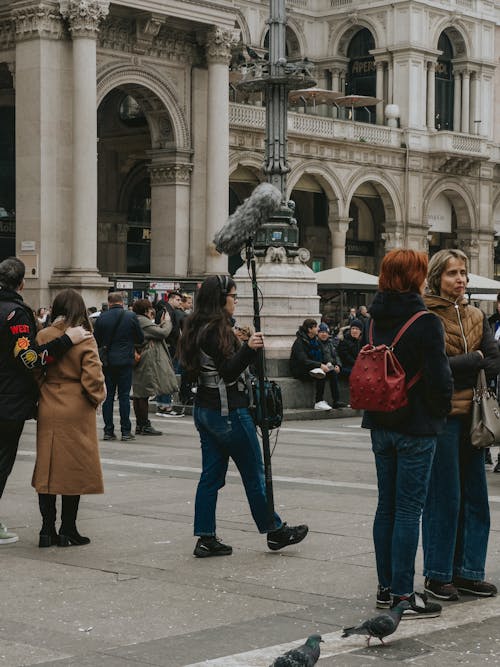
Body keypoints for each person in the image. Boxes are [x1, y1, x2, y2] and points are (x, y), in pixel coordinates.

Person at [178, 275, 308, 557]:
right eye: (234, 297)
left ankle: (205, 536)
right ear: (220, 298)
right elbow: (227, 371)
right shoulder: (216, 329)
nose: (236, 302)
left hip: (205, 410)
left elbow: (193, 370)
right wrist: (249, 349)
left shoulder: (194, 324)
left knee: (211, 477)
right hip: (229, 412)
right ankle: (274, 531)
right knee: (254, 473)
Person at [362, 249, 453, 618]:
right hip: (415, 426)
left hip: (380, 422)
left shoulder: (372, 319)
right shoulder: (425, 321)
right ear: (416, 277)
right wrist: (439, 413)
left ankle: (386, 587)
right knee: (408, 510)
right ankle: (403, 595)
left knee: (387, 505)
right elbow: (440, 378)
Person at [422, 249, 500, 601]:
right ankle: (438, 574)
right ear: (437, 276)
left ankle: (469, 571)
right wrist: (476, 360)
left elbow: (495, 362)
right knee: (445, 497)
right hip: (441, 417)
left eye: (464, 273)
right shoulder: (426, 315)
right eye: (453, 273)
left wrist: (468, 363)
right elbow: (434, 367)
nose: (461, 280)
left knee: (476, 498)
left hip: (474, 416)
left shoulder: (475, 315)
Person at [0, 257, 91, 544]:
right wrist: (68, 340)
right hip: (8, 402)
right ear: (22, 283)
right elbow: (28, 359)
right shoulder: (15, 314)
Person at [32, 289, 105, 547]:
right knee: (73, 466)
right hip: (77, 404)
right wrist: (97, 398)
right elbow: (93, 376)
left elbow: (35, 370)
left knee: (47, 466)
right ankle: (68, 529)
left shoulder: (43, 335)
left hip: (49, 401)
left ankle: (46, 529)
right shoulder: (85, 336)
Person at [93, 292, 144, 441]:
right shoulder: (130, 316)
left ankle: (108, 431)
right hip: (125, 361)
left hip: (108, 362)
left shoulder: (102, 317)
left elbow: (97, 339)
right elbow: (140, 338)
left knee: (108, 397)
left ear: (109, 302)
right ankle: (126, 431)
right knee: (124, 396)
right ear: (122, 302)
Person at [131, 299, 178, 436]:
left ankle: (141, 425)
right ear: (146, 310)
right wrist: (167, 321)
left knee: (139, 394)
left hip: (139, 359)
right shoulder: (142, 320)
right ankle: (144, 424)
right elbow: (163, 333)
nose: (152, 310)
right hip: (145, 361)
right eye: (150, 308)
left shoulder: (137, 319)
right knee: (143, 394)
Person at [289, 318, 333, 411]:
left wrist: (329, 363)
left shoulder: (316, 341)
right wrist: (320, 365)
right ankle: (318, 401)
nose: (318, 329)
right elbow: (303, 360)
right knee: (321, 374)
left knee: (332, 372)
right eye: (316, 327)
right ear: (309, 329)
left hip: (312, 366)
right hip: (300, 369)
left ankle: (336, 401)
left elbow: (323, 354)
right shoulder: (299, 342)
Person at [155, 290, 184, 417]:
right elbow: (166, 331)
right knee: (167, 377)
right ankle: (165, 406)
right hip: (169, 348)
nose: (179, 302)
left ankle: (162, 404)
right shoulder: (166, 312)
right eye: (177, 300)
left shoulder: (168, 311)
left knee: (164, 376)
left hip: (169, 347)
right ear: (171, 299)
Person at [317, 323, 345, 409]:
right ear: (318, 333)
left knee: (334, 372)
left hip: (330, 366)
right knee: (331, 373)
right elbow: (318, 357)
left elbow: (336, 355)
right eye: (321, 332)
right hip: (321, 366)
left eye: (325, 332)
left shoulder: (330, 343)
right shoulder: (316, 343)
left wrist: (338, 365)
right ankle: (321, 400)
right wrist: (326, 364)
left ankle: (336, 401)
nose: (324, 334)